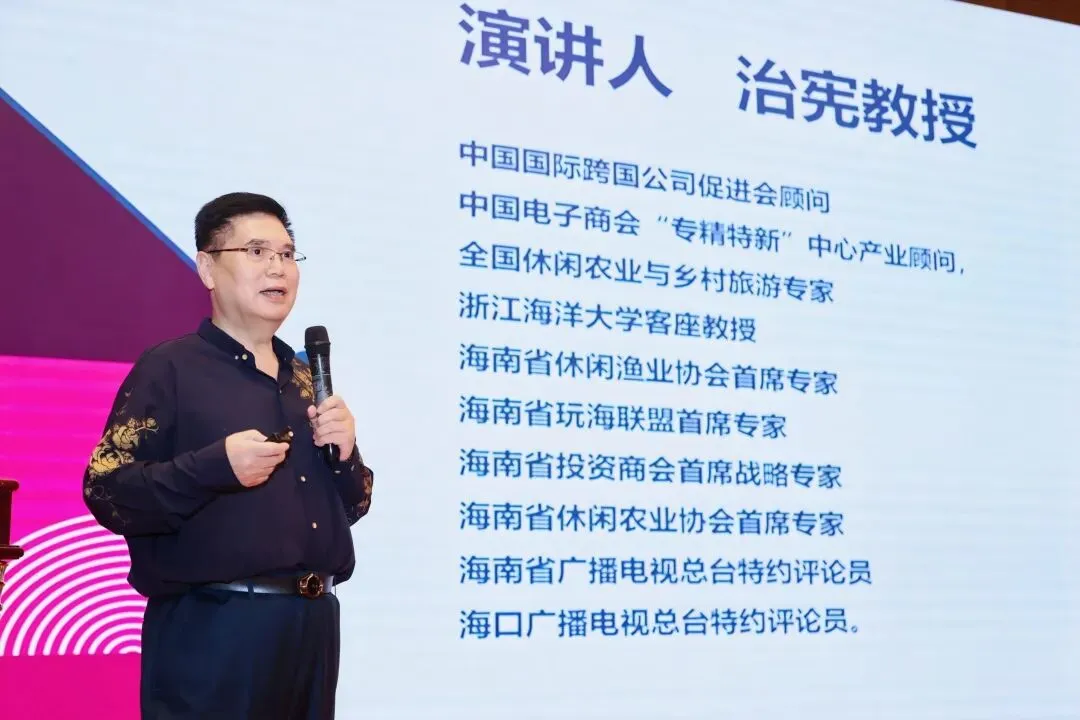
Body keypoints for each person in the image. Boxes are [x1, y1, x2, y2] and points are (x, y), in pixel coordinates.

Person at [82, 192, 374, 719]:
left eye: (287, 254)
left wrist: (345, 458)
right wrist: (213, 468)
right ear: (207, 268)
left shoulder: (305, 380)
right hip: (215, 627)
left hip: (312, 627)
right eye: (257, 251)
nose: (277, 268)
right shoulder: (170, 368)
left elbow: (352, 506)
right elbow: (106, 489)